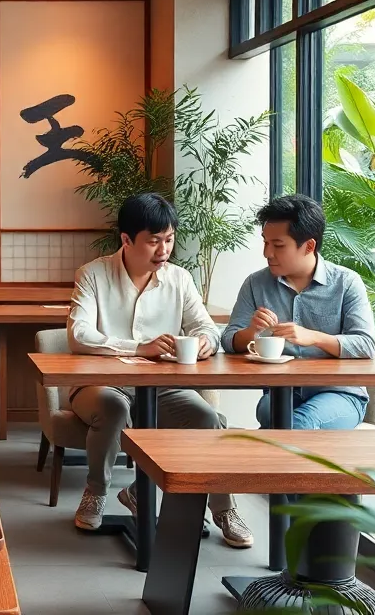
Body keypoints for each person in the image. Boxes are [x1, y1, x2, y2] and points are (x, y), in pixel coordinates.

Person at [66, 193, 253, 548]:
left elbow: (206, 327)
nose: (163, 249)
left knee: (208, 419)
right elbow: (78, 334)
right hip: (102, 383)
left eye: (169, 239)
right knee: (114, 407)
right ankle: (96, 491)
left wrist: (204, 343)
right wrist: (138, 347)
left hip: (161, 385)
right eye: (153, 241)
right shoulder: (93, 275)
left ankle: (219, 506)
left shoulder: (179, 279)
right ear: (126, 239)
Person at [222, 194, 375, 430]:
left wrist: (313, 337)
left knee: (295, 424)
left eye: (278, 245)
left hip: (340, 394)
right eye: (265, 242)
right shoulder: (256, 284)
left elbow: (366, 345)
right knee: (268, 413)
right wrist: (251, 332)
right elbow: (228, 339)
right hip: (280, 391)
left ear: (309, 246)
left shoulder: (346, 282)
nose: (267, 253)